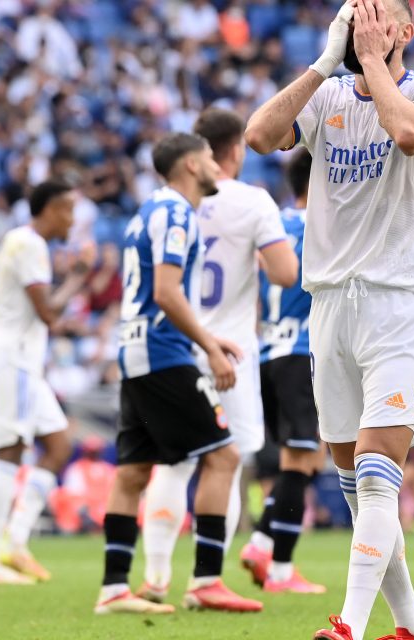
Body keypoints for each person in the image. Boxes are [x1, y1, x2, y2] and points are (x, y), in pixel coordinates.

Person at [245, 0, 414, 636]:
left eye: (380, 16)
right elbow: (258, 135)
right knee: (357, 483)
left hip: (399, 299)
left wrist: (370, 61)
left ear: (405, 29)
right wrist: (325, 60)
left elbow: (409, 134)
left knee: (375, 472)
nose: (369, 25)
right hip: (330, 304)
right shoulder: (328, 95)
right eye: (356, 14)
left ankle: (351, 626)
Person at [93, 133, 260, 616]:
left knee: (132, 472)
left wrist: (203, 335)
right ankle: (206, 581)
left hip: (137, 350)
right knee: (224, 457)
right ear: (191, 164)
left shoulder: (149, 210)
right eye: (209, 158)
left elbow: (155, 297)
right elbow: (167, 293)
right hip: (162, 355)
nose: (216, 166)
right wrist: (209, 347)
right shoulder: (176, 214)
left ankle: (113, 590)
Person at [140, 108, 298, 602]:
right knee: (227, 462)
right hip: (230, 348)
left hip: (174, 346)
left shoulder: (164, 202)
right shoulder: (253, 201)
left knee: (174, 463)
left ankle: (156, 577)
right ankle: (207, 579)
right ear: (232, 150)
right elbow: (284, 274)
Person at [0, 179, 88, 586]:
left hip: (22, 360)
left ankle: (15, 541)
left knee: (58, 445)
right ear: (49, 210)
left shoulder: (24, 243)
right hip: (12, 359)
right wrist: (78, 277)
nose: (71, 219)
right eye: (67, 210)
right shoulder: (28, 243)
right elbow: (48, 312)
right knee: (11, 449)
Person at [237, 151, 328, 594]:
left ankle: (266, 550)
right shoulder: (325, 226)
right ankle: (274, 565)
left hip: (269, 352)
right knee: (300, 460)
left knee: (306, 459)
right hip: (302, 351)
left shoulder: (276, 227)